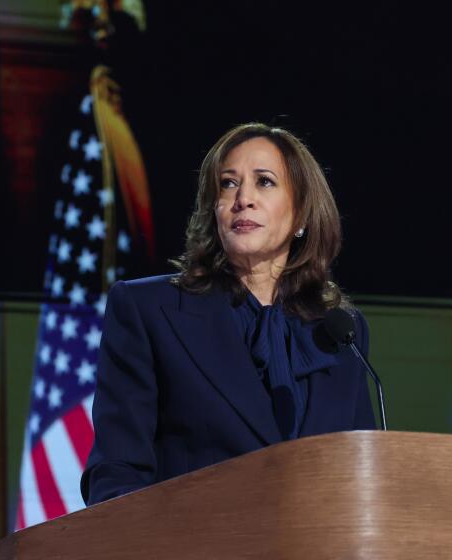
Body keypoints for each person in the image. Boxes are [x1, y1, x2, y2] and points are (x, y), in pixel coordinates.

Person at [80, 123, 376, 506]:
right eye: (228, 184)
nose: (243, 199)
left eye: (265, 182)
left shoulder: (340, 333)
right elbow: (117, 472)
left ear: (302, 214)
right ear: (213, 210)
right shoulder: (148, 310)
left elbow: (363, 479)